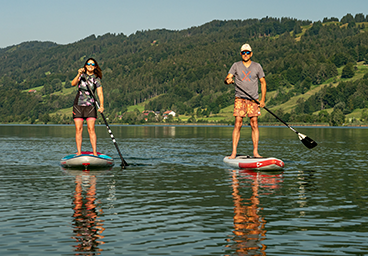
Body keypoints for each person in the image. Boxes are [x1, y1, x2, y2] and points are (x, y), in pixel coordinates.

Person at [224, 44, 266, 159]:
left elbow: (263, 82)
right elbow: (227, 78)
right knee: (238, 123)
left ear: (251, 54)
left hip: (253, 100)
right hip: (240, 99)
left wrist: (262, 100)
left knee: (254, 124)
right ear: (241, 54)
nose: (246, 55)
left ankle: (256, 152)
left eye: (248, 52)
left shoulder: (257, 66)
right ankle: (233, 152)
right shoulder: (236, 66)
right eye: (243, 53)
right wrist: (228, 80)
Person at [71, 58, 104, 156]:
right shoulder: (81, 76)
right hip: (78, 106)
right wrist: (78, 74)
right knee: (78, 129)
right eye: (88, 64)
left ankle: (94, 152)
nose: (90, 65)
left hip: (90, 107)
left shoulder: (96, 79)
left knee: (91, 129)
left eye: (93, 64)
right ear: (85, 65)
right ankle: (79, 153)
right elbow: (73, 84)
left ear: (95, 67)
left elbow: (100, 94)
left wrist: (101, 106)